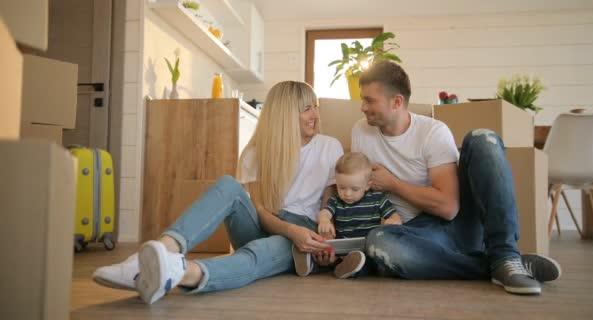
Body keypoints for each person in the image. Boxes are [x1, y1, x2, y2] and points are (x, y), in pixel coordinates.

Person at [317, 60, 562, 295]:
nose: (363, 107)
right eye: (363, 99)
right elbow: (359, 189)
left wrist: (393, 184)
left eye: (370, 100)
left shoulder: (432, 132)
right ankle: (499, 265)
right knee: (378, 242)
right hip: (412, 234)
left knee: (483, 138)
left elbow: (448, 208)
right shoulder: (361, 130)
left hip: (454, 223)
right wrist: (332, 226)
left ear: (397, 102)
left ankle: (506, 253)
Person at [92, 81, 346, 304]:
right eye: (307, 108)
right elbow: (259, 211)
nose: (315, 114)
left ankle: (176, 273)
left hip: (300, 237)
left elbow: (329, 207)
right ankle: (154, 254)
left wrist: (317, 238)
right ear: (285, 114)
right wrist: (289, 229)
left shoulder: (329, 147)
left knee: (259, 254)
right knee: (227, 184)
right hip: (269, 225)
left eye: (315, 106)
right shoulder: (257, 152)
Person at [292, 152, 401, 279]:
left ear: (367, 185)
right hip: (339, 249)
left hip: (365, 250)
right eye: (342, 188)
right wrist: (324, 220)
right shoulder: (336, 201)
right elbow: (324, 212)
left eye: (354, 189)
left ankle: (345, 268)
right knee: (323, 249)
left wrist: (392, 221)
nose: (347, 194)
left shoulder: (378, 199)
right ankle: (309, 261)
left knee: (368, 262)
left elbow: (396, 217)